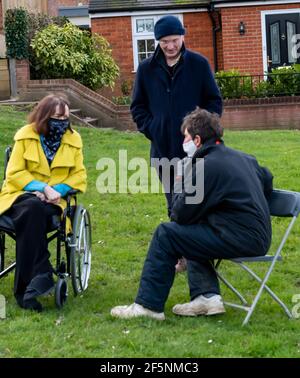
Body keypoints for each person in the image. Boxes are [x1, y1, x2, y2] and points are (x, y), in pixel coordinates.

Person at [111, 108, 273, 320]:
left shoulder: (205, 166)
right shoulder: (244, 158)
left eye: (185, 136)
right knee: (194, 228)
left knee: (167, 234)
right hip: (257, 236)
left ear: (197, 140)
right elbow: (267, 179)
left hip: (240, 238)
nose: (183, 142)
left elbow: (180, 215)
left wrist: (180, 184)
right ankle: (207, 298)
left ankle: (148, 307)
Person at [130, 15, 223, 274]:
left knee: (198, 199)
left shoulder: (199, 65)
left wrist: (201, 133)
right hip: (163, 151)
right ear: (157, 41)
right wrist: (152, 129)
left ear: (182, 36)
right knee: (175, 203)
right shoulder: (147, 69)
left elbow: (214, 102)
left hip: (198, 150)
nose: (170, 46)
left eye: (174, 40)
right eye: (164, 42)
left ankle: (202, 252)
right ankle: (182, 255)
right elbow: (137, 107)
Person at [0, 94, 87, 312]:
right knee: (32, 207)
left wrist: (55, 191)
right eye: (58, 117)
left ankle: (26, 288)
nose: (62, 123)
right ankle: (41, 273)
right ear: (44, 116)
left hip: (53, 202)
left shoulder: (73, 140)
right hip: (19, 197)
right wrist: (41, 188)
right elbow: (14, 173)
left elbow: (79, 176)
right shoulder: (25, 136)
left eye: (66, 118)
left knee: (35, 210)